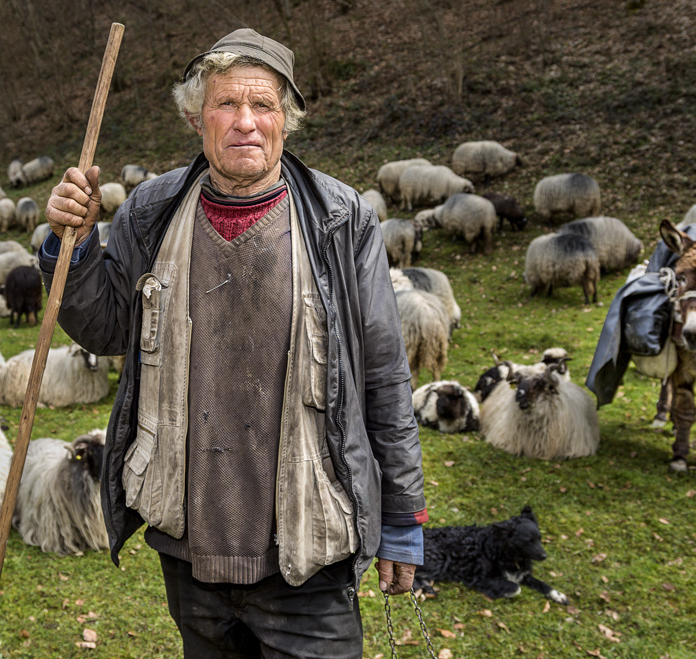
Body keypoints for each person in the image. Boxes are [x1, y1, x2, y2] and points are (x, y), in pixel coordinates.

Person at [39, 27, 425, 658]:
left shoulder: (340, 220)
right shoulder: (151, 212)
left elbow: (382, 376)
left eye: (264, 105)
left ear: (287, 121)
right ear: (197, 118)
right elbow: (105, 328)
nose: (245, 122)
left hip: (310, 546)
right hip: (193, 548)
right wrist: (73, 247)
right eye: (226, 104)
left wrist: (403, 517)